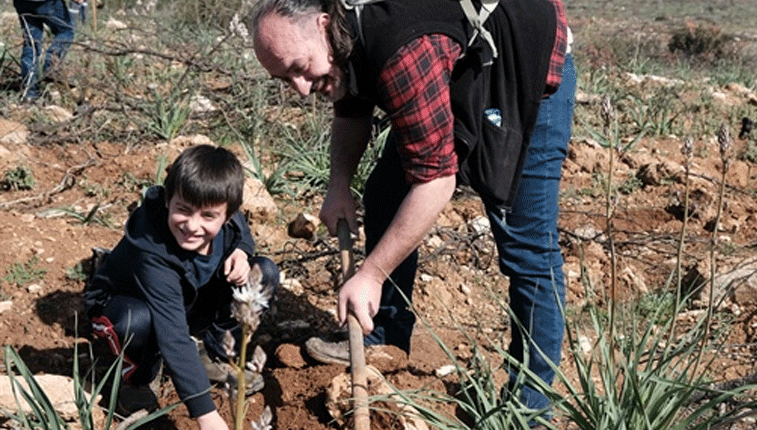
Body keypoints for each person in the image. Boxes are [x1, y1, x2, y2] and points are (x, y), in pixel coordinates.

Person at [250, 0, 575, 422]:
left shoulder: (400, 46)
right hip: (457, 59)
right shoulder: (342, 33)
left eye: (298, 67)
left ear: (323, 25)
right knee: (386, 193)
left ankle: (528, 409)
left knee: (526, 246)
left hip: (525, 66)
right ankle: (384, 337)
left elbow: (437, 181)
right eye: (284, 79)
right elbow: (352, 104)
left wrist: (370, 275)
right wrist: (337, 185)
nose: (300, 88)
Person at [83, 144, 280, 430]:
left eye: (208, 216)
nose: (192, 225)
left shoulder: (219, 204)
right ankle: (135, 379)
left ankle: (214, 354)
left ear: (227, 213)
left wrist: (242, 251)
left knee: (264, 273)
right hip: (126, 304)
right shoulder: (152, 249)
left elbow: (240, 228)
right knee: (136, 322)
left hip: (185, 297)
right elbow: (173, 334)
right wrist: (207, 415)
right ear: (167, 200)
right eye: (183, 210)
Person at [12, 0, 76, 102]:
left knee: (31, 44)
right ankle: (50, 66)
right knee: (66, 31)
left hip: (23, 4)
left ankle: (29, 93)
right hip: (47, 2)